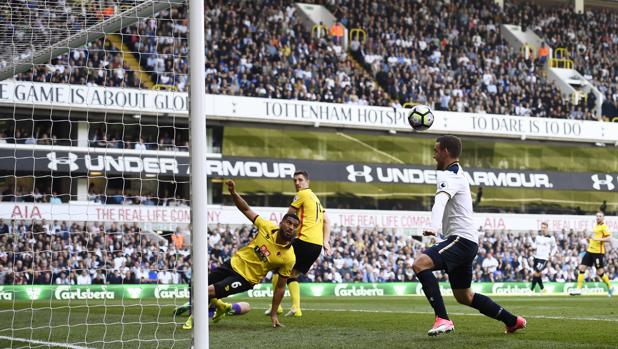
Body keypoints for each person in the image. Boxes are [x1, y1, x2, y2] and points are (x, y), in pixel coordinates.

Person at [412, 135, 526, 336]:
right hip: (467, 241)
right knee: (464, 296)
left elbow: (440, 202)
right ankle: (512, 321)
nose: (434, 155)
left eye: (436, 150)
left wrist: (433, 226)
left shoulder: (449, 176)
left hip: (460, 240)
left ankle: (443, 319)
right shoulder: (458, 173)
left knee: (420, 264)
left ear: (446, 152)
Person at [183, 179, 300, 329]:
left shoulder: (289, 257)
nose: (291, 227)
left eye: (295, 226)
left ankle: (197, 319)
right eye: (289, 223)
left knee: (205, 291)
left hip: (245, 279)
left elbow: (280, 288)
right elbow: (246, 209)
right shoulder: (267, 227)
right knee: (194, 286)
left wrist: (274, 313)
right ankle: (220, 306)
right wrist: (233, 193)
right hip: (232, 264)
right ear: (281, 223)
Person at [266, 170, 331, 317]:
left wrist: (277, 234)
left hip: (303, 241)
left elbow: (288, 217)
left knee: (278, 268)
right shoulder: (316, 200)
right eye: (295, 180)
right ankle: (296, 308)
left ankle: (277, 306)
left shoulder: (302, 194)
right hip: (316, 247)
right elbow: (327, 221)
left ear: (307, 182)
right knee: (292, 274)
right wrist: (325, 241)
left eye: (300, 180)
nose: (297, 183)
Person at [570, 211, 614, 297]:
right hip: (590, 250)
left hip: (598, 253)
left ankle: (610, 286)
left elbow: (610, 238)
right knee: (582, 267)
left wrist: (599, 239)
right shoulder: (595, 226)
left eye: (600, 216)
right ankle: (578, 289)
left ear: (603, 218)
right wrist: (588, 240)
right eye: (597, 216)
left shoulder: (604, 227)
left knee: (600, 272)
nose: (598, 218)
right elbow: (593, 239)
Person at [530, 222, 557, 293]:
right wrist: (531, 247)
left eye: (544, 228)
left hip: (544, 258)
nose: (543, 229)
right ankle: (542, 289)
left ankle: (531, 290)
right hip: (536, 257)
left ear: (547, 228)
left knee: (536, 273)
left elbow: (554, 247)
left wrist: (551, 255)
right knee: (538, 274)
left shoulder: (551, 238)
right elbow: (535, 245)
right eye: (542, 227)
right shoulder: (538, 237)